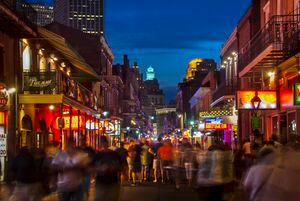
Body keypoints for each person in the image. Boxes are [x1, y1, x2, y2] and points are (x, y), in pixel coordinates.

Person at [92, 136, 122, 201]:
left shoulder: (113, 154)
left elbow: (121, 167)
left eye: (103, 142)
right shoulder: (99, 155)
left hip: (111, 183)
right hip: (104, 183)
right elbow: (91, 168)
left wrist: (114, 168)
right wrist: (100, 168)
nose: (103, 144)